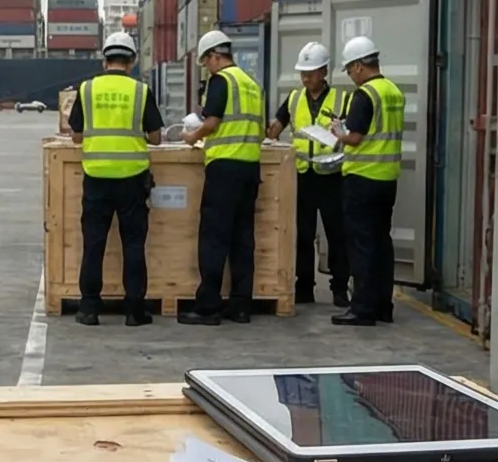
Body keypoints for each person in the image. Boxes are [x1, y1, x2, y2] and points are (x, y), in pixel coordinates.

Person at [67, 29, 164, 327]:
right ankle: (134, 311)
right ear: (131, 61)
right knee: (133, 245)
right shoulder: (140, 91)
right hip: (132, 180)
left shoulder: (86, 90)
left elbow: (76, 136)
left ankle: (88, 309)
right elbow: (156, 137)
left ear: (104, 60)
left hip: (96, 178)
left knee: (94, 244)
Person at [179, 29, 266, 325]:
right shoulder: (252, 84)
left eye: (207, 61)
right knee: (243, 239)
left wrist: (192, 136)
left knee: (214, 238)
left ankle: (209, 307)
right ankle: (241, 306)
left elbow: (212, 121)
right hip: (250, 168)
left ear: (216, 56)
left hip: (224, 169)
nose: (207, 67)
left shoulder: (221, 80)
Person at [265, 41, 351, 307]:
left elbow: (352, 134)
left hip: (332, 176)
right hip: (303, 176)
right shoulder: (293, 98)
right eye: (303, 73)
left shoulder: (342, 99)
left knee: (337, 234)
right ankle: (304, 288)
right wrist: (270, 130)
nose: (305, 78)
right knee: (302, 235)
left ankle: (339, 287)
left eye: (311, 72)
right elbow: (275, 129)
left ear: (324, 71)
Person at [331, 35, 406, 327]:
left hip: (362, 179)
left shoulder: (365, 94)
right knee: (381, 244)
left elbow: (356, 136)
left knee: (361, 245)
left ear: (360, 66)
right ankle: (382, 305)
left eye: (350, 70)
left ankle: (361, 307)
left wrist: (338, 131)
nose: (351, 76)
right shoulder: (393, 92)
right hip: (387, 179)